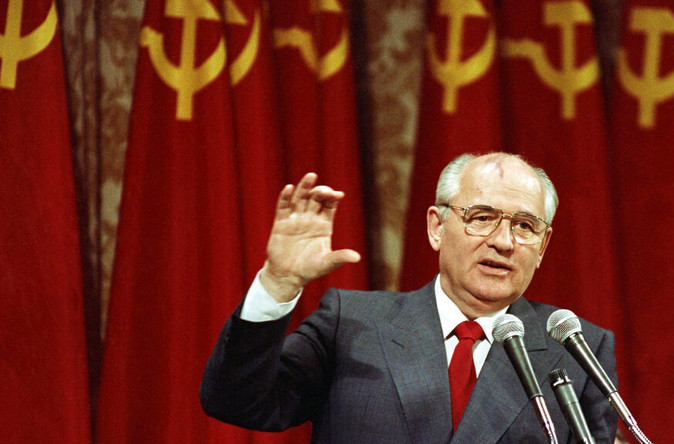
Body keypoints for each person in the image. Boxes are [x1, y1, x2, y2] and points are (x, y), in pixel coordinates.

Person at [200, 152, 619, 443]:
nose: (503, 242)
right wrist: (278, 283)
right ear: (437, 227)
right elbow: (238, 402)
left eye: (525, 226)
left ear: (543, 246)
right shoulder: (352, 323)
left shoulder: (577, 349)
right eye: (482, 218)